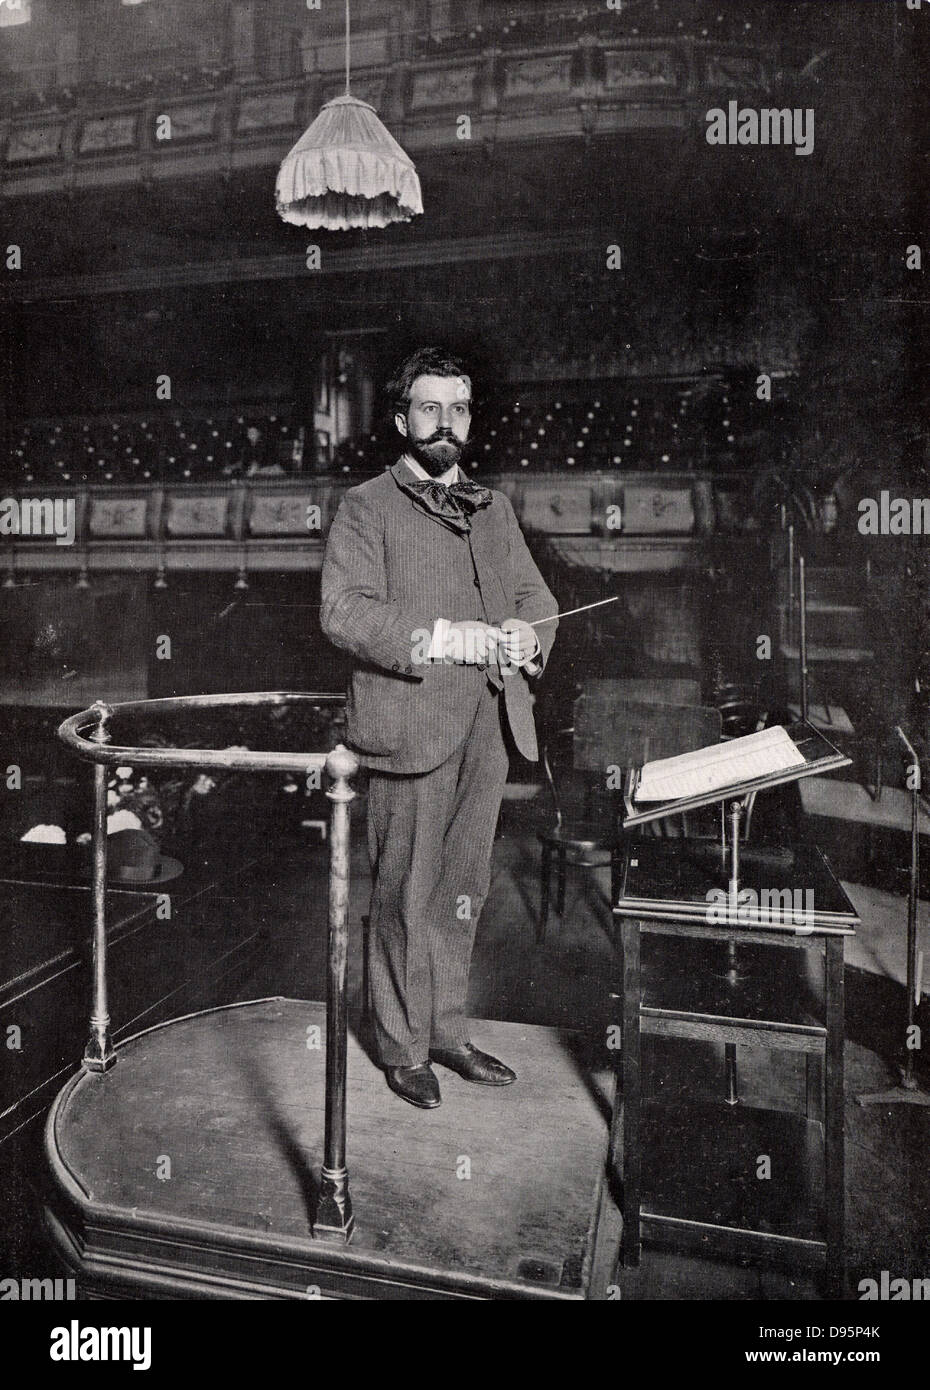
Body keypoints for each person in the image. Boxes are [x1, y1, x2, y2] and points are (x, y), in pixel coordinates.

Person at [321, 347, 558, 1108]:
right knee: (403, 893)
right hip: (408, 726)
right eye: (429, 408)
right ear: (400, 419)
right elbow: (345, 612)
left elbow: (534, 594)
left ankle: (447, 1032)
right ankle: (401, 1046)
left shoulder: (494, 507)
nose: (445, 423)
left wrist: (528, 635)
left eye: (457, 408)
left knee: (463, 888)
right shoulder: (365, 506)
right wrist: (445, 637)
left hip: (489, 722)